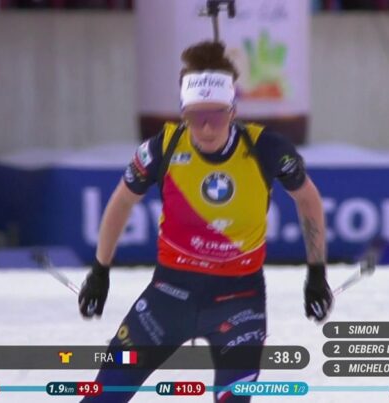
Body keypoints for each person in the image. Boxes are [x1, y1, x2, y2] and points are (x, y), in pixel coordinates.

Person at [78, 40, 333, 402]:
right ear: (183, 112)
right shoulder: (163, 148)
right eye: (196, 117)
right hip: (168, 296)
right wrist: (100, 270)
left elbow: (308, 199)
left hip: (238, 300)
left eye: (217, 115)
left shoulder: (266, 148)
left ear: (233, 110)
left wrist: (316, 272)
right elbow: (121, 201)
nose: (207, 128)